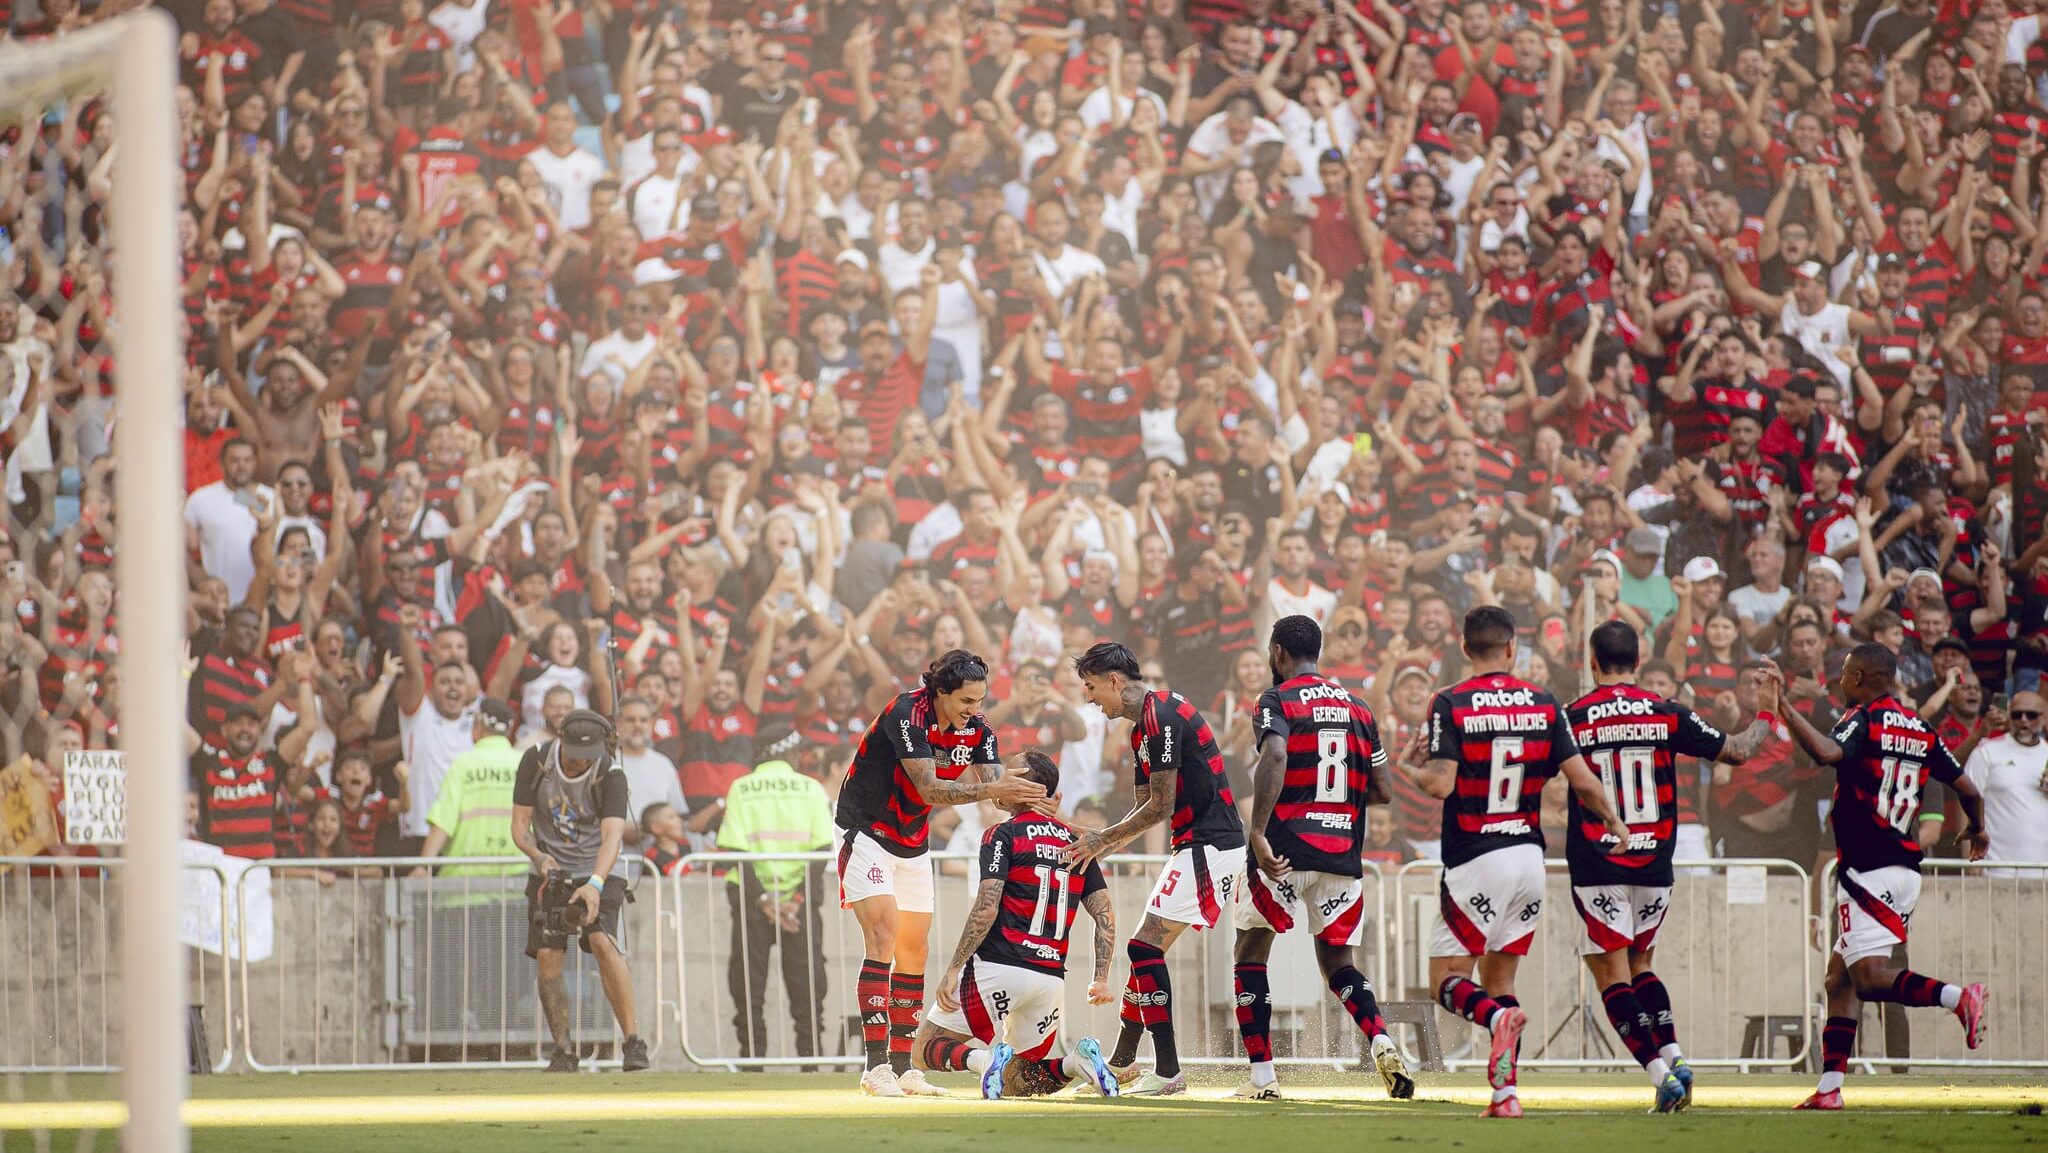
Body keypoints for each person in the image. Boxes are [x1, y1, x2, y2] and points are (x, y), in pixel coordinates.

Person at [1396, 605, 1631, 1119]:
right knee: (1500, 985)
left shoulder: (1451, 702)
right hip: (1529, 858)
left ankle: (1497, 1026)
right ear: (1512, 649)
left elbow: (1440, 784)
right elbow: (1583, 781)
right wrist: (1616, 823)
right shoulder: (1544, 703)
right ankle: (1505, 1095)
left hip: (1478, 857)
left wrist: (1404, 768)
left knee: (1446, 981)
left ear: (1464, 648)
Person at [1764, 644, 1989, 1111]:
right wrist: (1979, 827)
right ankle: (1829, 1088)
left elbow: (1828, 752)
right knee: (1838, 981)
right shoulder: (1920, 728)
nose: (1841, 681)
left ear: (1863, 676)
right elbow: (1966, 786)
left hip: (1868, 869)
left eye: (1846, 674)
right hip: (1904, 868)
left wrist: (1785, 708)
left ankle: (1958, 998)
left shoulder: (1863, 717)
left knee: (1867, 979)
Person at [1565, 621, 1779, 1111]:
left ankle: (1662, 1076)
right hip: (1657, 860)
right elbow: (1739, 749)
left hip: (1601, 859)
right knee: (1642, 964)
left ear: (1591, 662)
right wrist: (1767, 713)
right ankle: (1676, 1056)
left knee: (1610, 974)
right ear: (1639, 662)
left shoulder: (1573, 716)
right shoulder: (1667, 712)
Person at [834, 649, 1046, 1097]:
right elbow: (930, 788)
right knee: (884, 935)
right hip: (866, 831)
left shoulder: (979, 729)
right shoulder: (905, 713)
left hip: (912, 841)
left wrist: (1038, 801)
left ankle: (903, 1068)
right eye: (966, 701)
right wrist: (996, 787)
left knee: (915, 950)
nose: (975, 710)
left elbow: (997, 795)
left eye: (980, 700)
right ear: (940, 692)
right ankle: (875, 1070)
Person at [1231, 615, 1415, 1101]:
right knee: (1340, 964)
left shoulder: (1276, 700)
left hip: (1285, 853)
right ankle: (1380, 1037)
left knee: (1250, 952)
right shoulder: (1360, 708)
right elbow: (1382, 791)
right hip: (1341, 857)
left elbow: (1273, 758)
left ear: (1277, 653)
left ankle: (1263, 1078)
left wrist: (1257, 830)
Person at [1068, 640, 1246, 1097]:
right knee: (1144, 952)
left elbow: (1161, 804)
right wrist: (1103, 847)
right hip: (1194, 846)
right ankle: (1123, 1063)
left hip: (1210, 846)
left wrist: (1102, 840)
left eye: (1091, 687)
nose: (1089, 698)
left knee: (1143, 948)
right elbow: (1144, 805)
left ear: (1114, 680)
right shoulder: (1140, 729)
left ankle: (1168, 1072)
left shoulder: (1162, 715)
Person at [913, 750, 1121, 1100]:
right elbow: (1105, 916)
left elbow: (986, 907)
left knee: (925, 1048)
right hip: (1050, 979)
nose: (998, 780)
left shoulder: (1002, 834)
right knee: (1020, 1081)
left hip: (998, 967)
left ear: (1026, 786)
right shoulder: (1078, 842)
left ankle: (984, 1061)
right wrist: (1100, 977)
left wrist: (954, 968)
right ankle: (1076, 1063)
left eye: (1008, 773)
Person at [510, 708, 649, 1073]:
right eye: (573, 755)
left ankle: (634, 1042)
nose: (578, 764)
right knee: (548, 955)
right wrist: (539, 857)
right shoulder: (537, 761)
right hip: (550, 867)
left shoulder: (610, 774)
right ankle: (563, 1048)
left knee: (603, 941)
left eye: (586, 758)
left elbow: (612, 838)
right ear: (560, 740)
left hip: (598, 866)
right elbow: (519, 827)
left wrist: (596, 884)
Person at [716, 724, 836, 1060]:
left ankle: (753, 1058)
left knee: (749, 984)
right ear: (789, 752)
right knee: (807, 983)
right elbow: (820, 850)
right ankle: (809, 1059)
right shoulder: (812, 789)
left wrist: (765, 900)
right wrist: (795, 901)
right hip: (799, 904)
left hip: (752, 901)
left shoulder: (741, 788)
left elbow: (737, 853)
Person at [413, 699, 526, 879]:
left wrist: (423, 866)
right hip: (517, 877)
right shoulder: (523, 764)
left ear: (477, 725)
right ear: (509, 730)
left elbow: (443, 820)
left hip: (465, 881)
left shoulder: (464, 764)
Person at [1960, 691, 2048, 875]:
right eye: (2017, 714)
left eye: (2031, 715)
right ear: (2009, 715)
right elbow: (1965, 801)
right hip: (1997, 870)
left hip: (2043, 870)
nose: (2024, 720)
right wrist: (1969, 862)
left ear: (2044, 717)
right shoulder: (1988, 751)